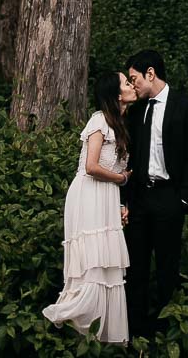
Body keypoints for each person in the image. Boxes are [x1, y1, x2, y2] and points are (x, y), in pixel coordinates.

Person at [43, 70, 137, 346]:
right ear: (116, 94)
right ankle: (76, 322)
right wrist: (121, 179)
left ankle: (102, 337)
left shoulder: (120, 123)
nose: (131, 86)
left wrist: (119, 203)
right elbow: (92, 166)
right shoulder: (99, 121)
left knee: (106, 263)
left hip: (106, 196)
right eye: (126, 83)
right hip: (88, 194)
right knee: (92, 262)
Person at [122, 49, 188, 343]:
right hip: (140, 199)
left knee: (167, 266)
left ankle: (164, 330)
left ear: (150, 73)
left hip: (169, 197)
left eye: (134, 79)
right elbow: (128, 155)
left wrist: (182, 198)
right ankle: (136, 331)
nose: (133, 86)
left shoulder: (185, 104)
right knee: (136, 267)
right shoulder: (137, 109)